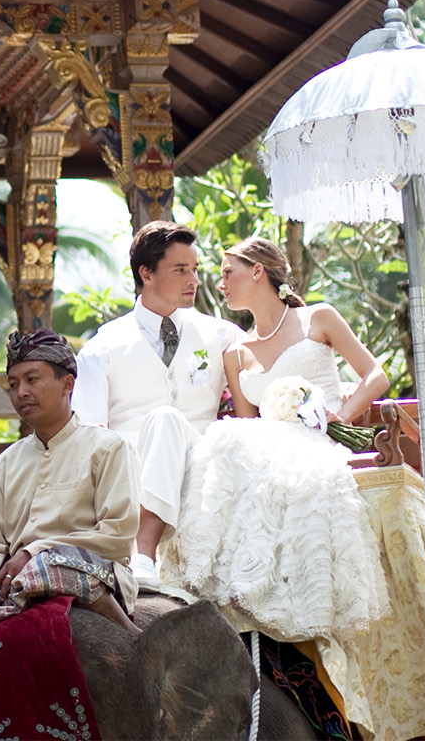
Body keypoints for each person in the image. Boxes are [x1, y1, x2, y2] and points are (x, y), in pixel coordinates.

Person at [166, 236, 391, 642]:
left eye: (227, 274)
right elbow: (247, 420)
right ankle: (232, 585)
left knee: (275, 464)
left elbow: (376, 376)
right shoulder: (236, 352)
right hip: (264, 445)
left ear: (257, 271)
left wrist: (342, 413)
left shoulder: (318, 319)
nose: (220, 285)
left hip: (315, 439)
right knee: (226, 442)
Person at [71, 221, 241, 591]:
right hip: (130, 465)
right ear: (146, 273)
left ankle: (143, 555)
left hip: (202, 459)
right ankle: (141, 555)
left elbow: (268, 366)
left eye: (195, 270)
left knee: (168, 419)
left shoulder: (219, 333)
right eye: (180, 270)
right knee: (161, 420)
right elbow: (87, 432)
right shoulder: (102, 347)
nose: (193, 280)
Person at [0, 329, 142, 635]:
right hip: (16, 584)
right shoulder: (7, 462)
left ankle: (133, 640)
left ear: (67, 384)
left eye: (32, 380)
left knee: (46, 570)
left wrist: (35, 552)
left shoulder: (108, 448)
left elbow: (117, 537)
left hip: (92, 578)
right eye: (14, 385)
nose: (21, 393)